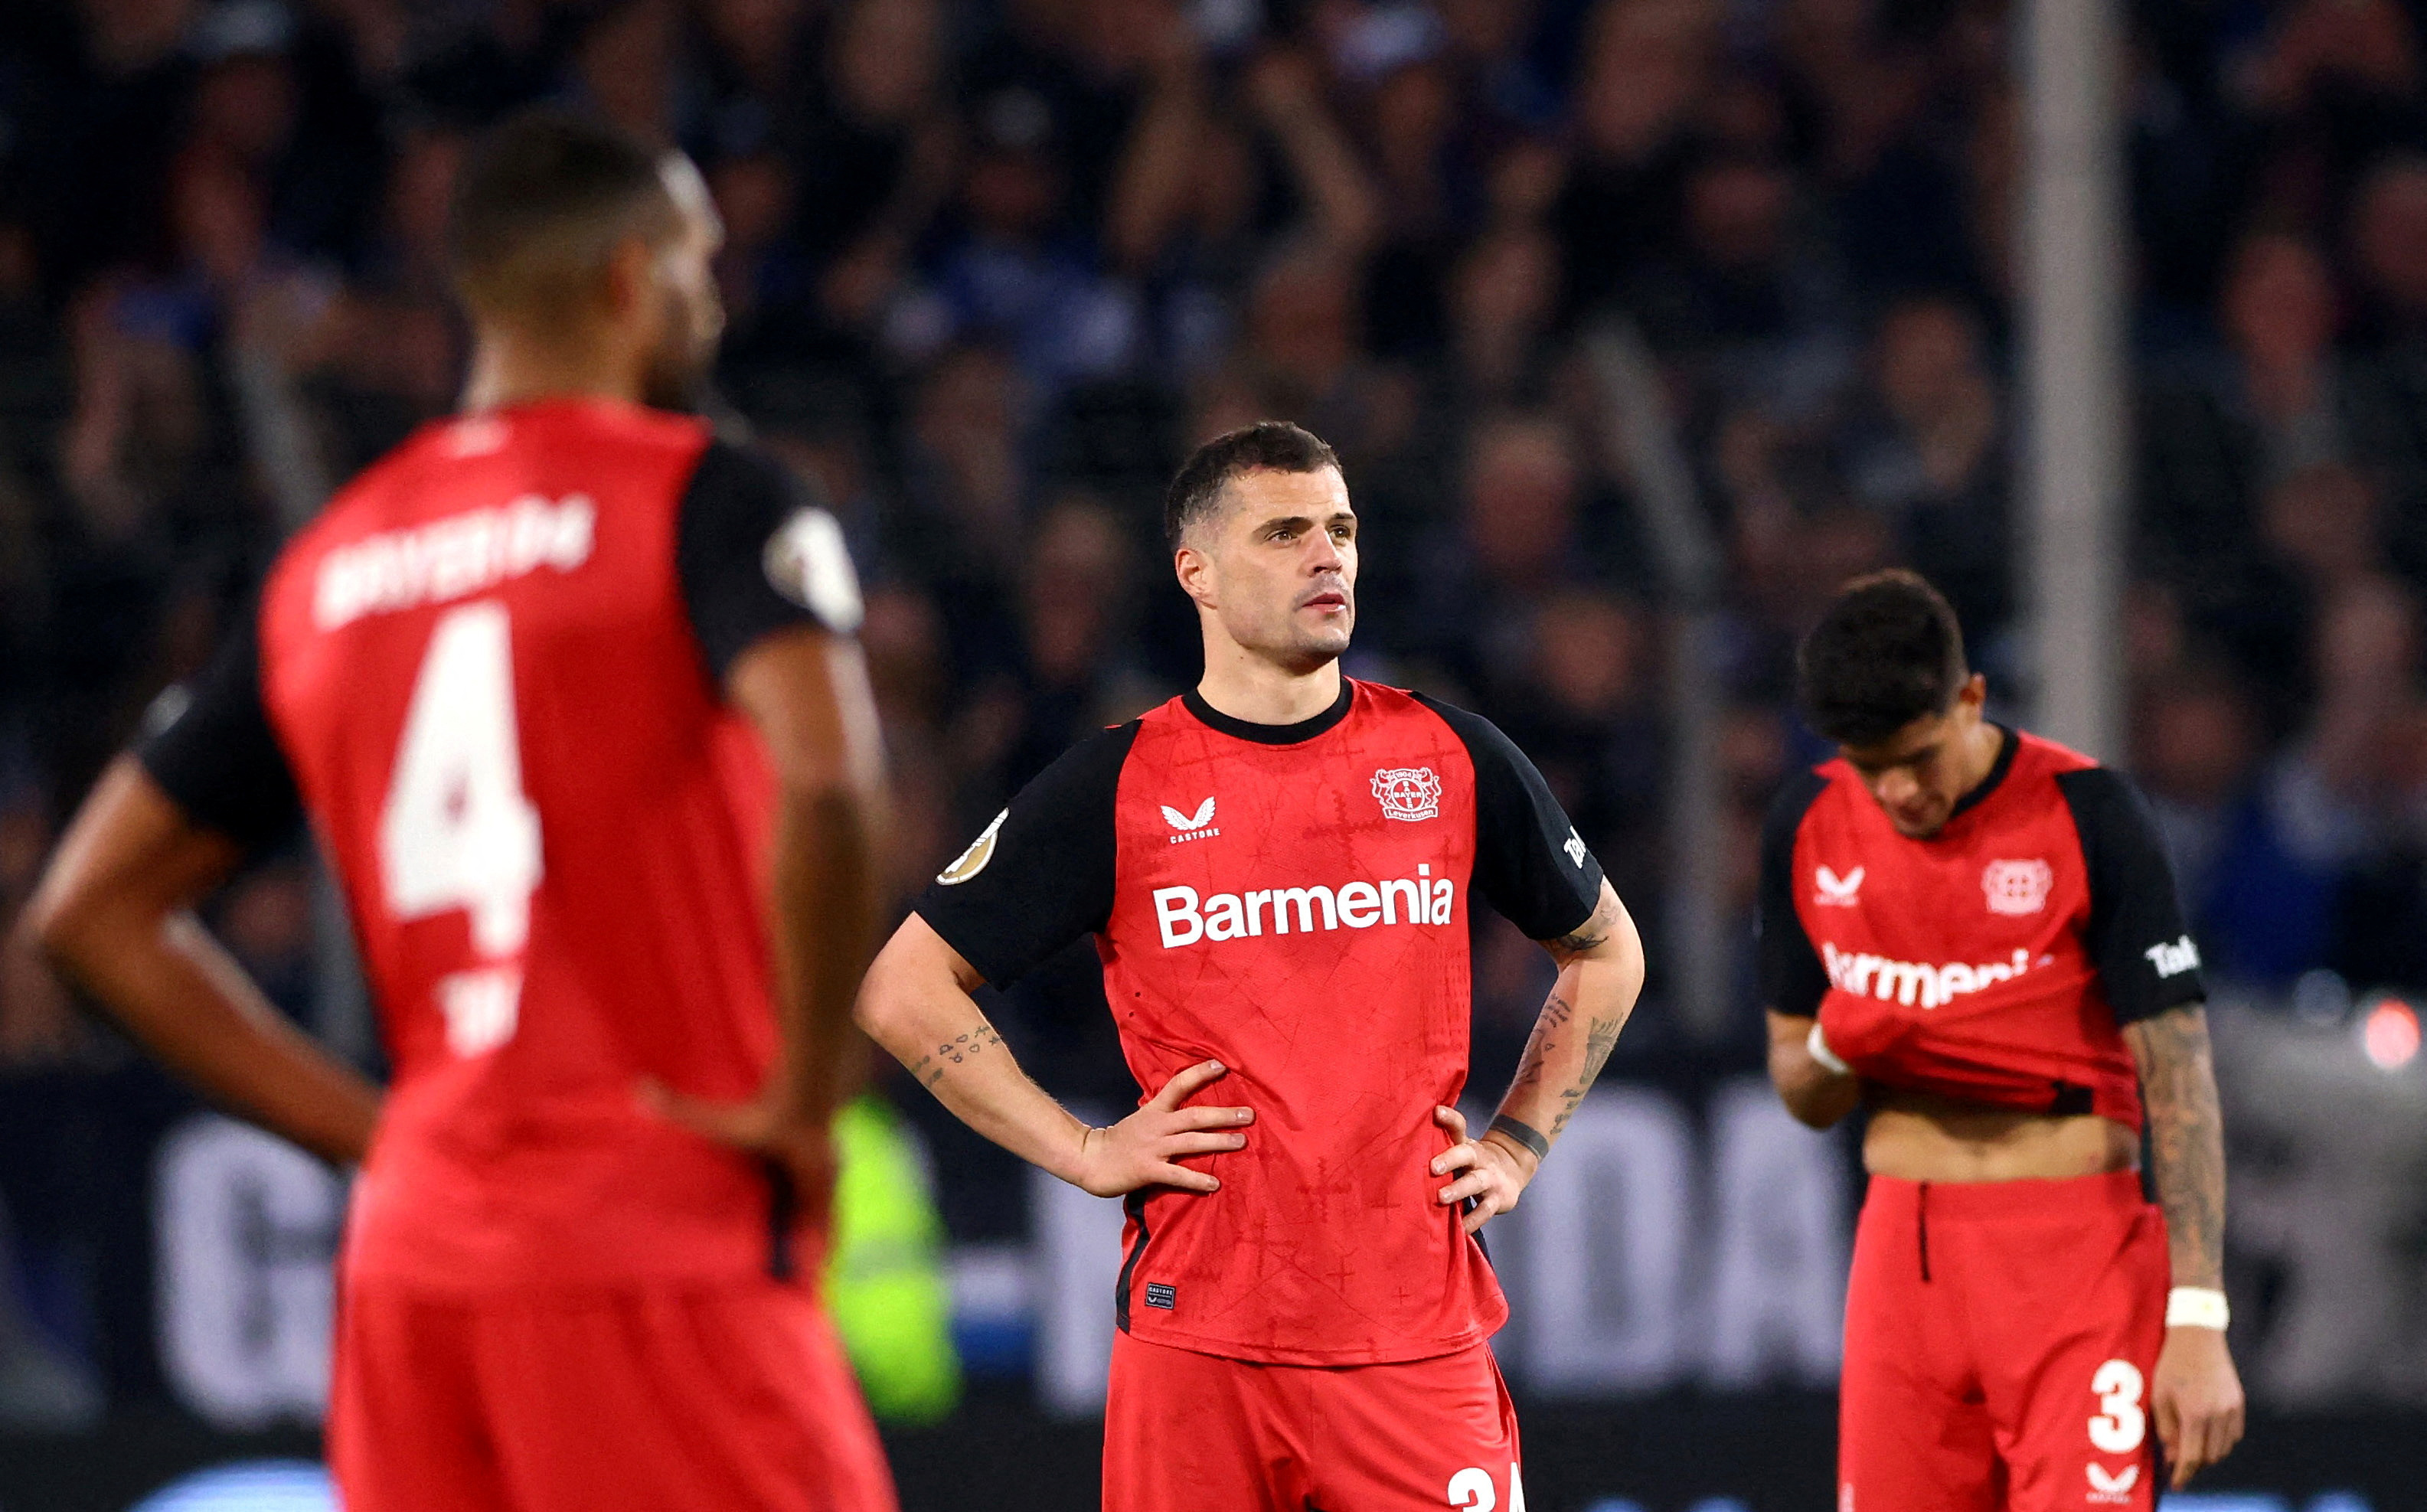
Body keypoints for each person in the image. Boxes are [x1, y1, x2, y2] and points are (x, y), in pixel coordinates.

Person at [26, 110, 897, 1512]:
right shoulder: (705, 492)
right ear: (630, 278)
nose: (713, 303)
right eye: (697, 265)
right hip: (653, 1233)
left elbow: (87, 912)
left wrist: (388, 1141)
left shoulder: (333, 560)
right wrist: (802, 1101)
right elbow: (833, 774)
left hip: (415, 1275)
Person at [855, 420, 1648, 1511]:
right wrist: (1084, 1148)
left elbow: (1605, 950)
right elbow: (901, 987)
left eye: (1341, 529)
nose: (1327, 556)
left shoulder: (1449, 755)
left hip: (1412, 1338)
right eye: (1284, 532)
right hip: (1200, 1343)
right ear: (1198, 573)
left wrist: (1516, 1140)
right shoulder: (1118, 782)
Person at [1759, 570, 2246, 1509]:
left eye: (1918, 755)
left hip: (2076, 1252)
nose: (1898, 790)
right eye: (1870, 766)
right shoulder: (1806, 825)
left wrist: (2197, 1314)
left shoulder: (2088, 812)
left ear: (1970, 697)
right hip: (1903, 1255)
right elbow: (1798, 1087)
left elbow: (2178, 1074)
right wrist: (1834, 1048)